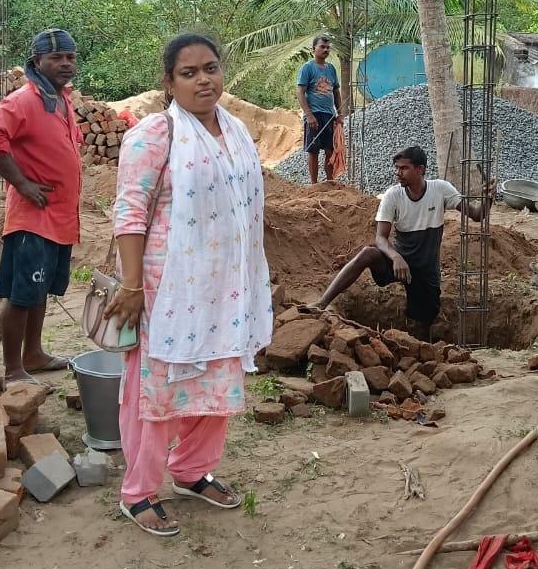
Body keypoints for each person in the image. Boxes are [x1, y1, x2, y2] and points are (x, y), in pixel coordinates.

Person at [103, 33, 273, 536]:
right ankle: (138, 492)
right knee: (158, 389)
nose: (203, 80)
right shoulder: (156, 134)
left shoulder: (235, 131)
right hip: (167, 289)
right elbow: (130, 212)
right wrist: (132, 286)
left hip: (226, 288)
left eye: (210, 68)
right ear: (169, 82)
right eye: (189, 72)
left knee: (218, 379)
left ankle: (192, 470)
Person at [0, 28, 81, 384]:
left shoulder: (60, 99)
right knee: (21, 295)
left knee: (40, 289)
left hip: (58, 217)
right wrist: (21, 183)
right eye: (56, 58)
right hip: (33, 218)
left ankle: (33, 355)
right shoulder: (25, 100)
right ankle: (13, 368)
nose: (65, 64)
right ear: (37, 61)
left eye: (70, 57)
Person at [302, 146, 494, 340]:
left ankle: (422, 350)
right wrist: (396, 257)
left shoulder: (440, 190)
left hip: (426, 269)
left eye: (404, 168)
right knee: (367, 253)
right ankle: (322, 303)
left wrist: (488, 199)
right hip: (398, 263)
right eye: (397, 168)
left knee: (423, 322)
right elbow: (380, 238)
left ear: (420, 169)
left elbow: (477, 215)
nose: (398, 173)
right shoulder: (393, 195)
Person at [297, 35, 342, 184]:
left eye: (328, 47)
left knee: (330, 150)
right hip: (314, 114)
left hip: (329, 115)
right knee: (313, 150)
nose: (325, 50)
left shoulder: (331, 69)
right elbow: (300, 92)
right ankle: (314, 184)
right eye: (322, 47)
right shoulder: (307, 68)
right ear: (314, 49)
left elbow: (336, 92)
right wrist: (309, 115)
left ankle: (330, 182)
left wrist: (340, 114)